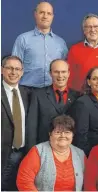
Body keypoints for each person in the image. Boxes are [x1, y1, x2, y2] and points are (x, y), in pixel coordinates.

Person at [17, 115, 86, 191]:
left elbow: (88, 183)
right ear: (50, 134)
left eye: (67, 132)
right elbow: (24, 181)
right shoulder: (38, 152)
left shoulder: (80, 154)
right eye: (58, 132)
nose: (63, 136)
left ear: (72, 135)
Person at [12, 2, 68, 88]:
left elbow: (65, 69)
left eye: (49, 13)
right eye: (42, 12)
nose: (45, 16)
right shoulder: (22, 39)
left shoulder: (61, 43)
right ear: (35, 14)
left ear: (52, 17)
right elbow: (14, 68)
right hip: (28, 90)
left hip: (52, 92)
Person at [27, 59, 80, 143]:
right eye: (56, 72)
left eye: (63, 72)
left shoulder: (78, 97)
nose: (60, 75)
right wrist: (32, 151)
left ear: (68, 73)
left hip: (70, 149)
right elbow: (31, 126)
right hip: (44, 147)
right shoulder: (38, 95)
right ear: (50, 73)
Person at [1, 56, 34, 191]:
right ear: (1, 70)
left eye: (17, 69)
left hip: (24, 154)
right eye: (9, 68)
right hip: (3, 155)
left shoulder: (28, 93)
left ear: (22, 72)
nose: (13, 72)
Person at [67, 13, 98, 91]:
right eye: (89, 27)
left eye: (96, 26)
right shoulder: (74, 50)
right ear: (84, 30)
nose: (93, 30)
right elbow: (69, 77)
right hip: (81, 97)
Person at [68, 67, 98, 156]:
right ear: (89, 82)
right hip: (91, 153)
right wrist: (88, 156)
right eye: (95, 79)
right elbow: (81, 136)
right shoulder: (83, 102)